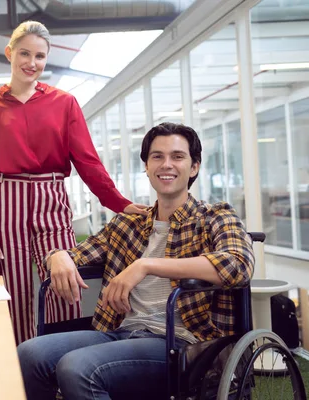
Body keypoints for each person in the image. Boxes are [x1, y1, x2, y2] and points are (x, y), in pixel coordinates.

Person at [17, 122, 255, 400]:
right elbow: (78, 253)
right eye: (157, 156)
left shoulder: (216, 216)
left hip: (180, 344)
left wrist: (145, 266)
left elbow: (237, 265)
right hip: (120, 331)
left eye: (177, 157)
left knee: (77, 368)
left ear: (194, 167)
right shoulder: (128, 224)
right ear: (146, 166)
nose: (166, 164)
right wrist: (56, 255)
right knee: (29, 353)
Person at [0, 20, 146, 345]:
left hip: (52, 199)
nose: (31, 63)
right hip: (4, 201)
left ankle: (64, 364)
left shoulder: (64, 103)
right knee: (14, 294)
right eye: (24, 53)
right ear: (9, 53)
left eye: (39, 56)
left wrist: (119, 203)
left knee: (65, 285)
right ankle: (23, 370)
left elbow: (88, 161)